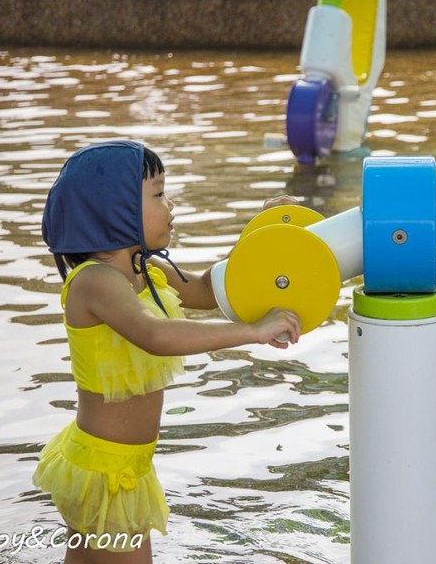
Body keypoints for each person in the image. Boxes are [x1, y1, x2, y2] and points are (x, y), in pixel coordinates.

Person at [33, 140, 302, 563]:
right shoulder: (95, 282)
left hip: (127, 465)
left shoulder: (150, 270)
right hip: (108, 471)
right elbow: (154, 334)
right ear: (114, 210)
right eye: (158, 194)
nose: (171, 205)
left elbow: (213, 290)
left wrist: (263, 235)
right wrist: (251, 331)